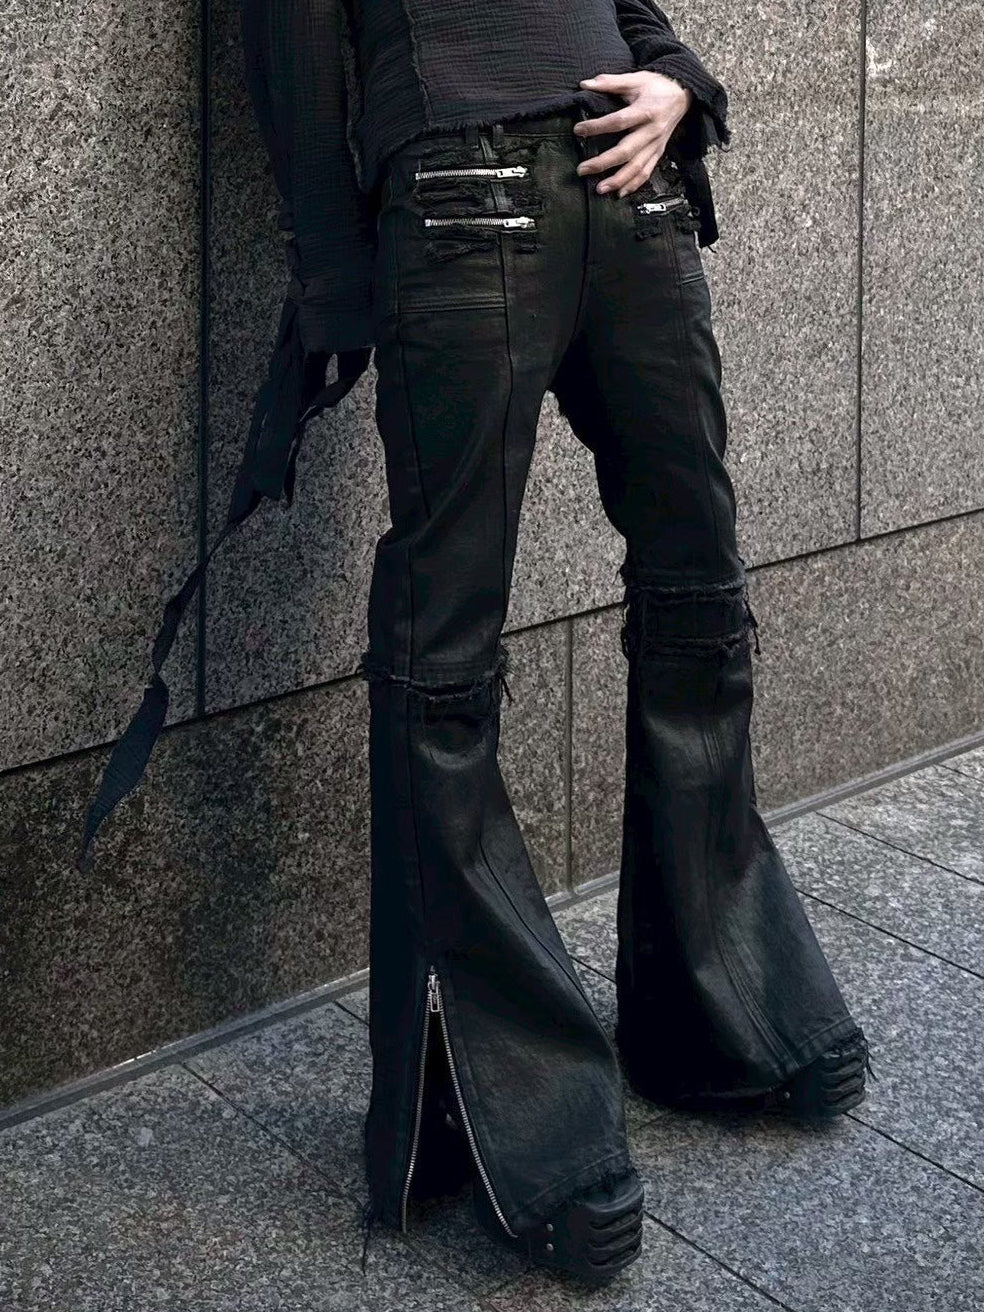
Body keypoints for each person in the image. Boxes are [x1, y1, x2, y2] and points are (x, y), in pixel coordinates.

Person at [77, 0, 873, 1287]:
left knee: (701, 596)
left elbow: (626, 7)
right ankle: (528, 1110)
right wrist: (341, 287)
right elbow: (290, 55)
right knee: (444, 660)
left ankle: (716, 1006)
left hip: (638, 198)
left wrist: (678, 83)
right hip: (458, 199)